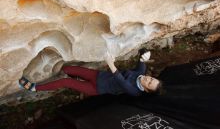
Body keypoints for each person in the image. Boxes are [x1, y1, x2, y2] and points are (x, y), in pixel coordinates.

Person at [18, 49, 161, 96]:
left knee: (65, 82)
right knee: (67, 69)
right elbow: (142, 54)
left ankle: (34, 88)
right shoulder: (141, 72)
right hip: (99, 76)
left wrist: (110, 62)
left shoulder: (134, 91)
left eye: (149, 83)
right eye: (151, 78)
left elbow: (120, 80)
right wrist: (145, 53)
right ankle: (71, 76)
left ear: (146, 90)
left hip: (97, 88)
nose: (148, 78)